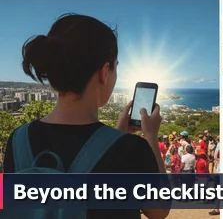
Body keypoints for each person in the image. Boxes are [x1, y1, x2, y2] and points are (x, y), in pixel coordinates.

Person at [2, 14, 170, 219]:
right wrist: (150, 136)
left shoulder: (18, 140)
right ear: (105, 71)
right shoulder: (132, 149)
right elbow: (159, 210)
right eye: (116, 66)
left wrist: (114, 136)